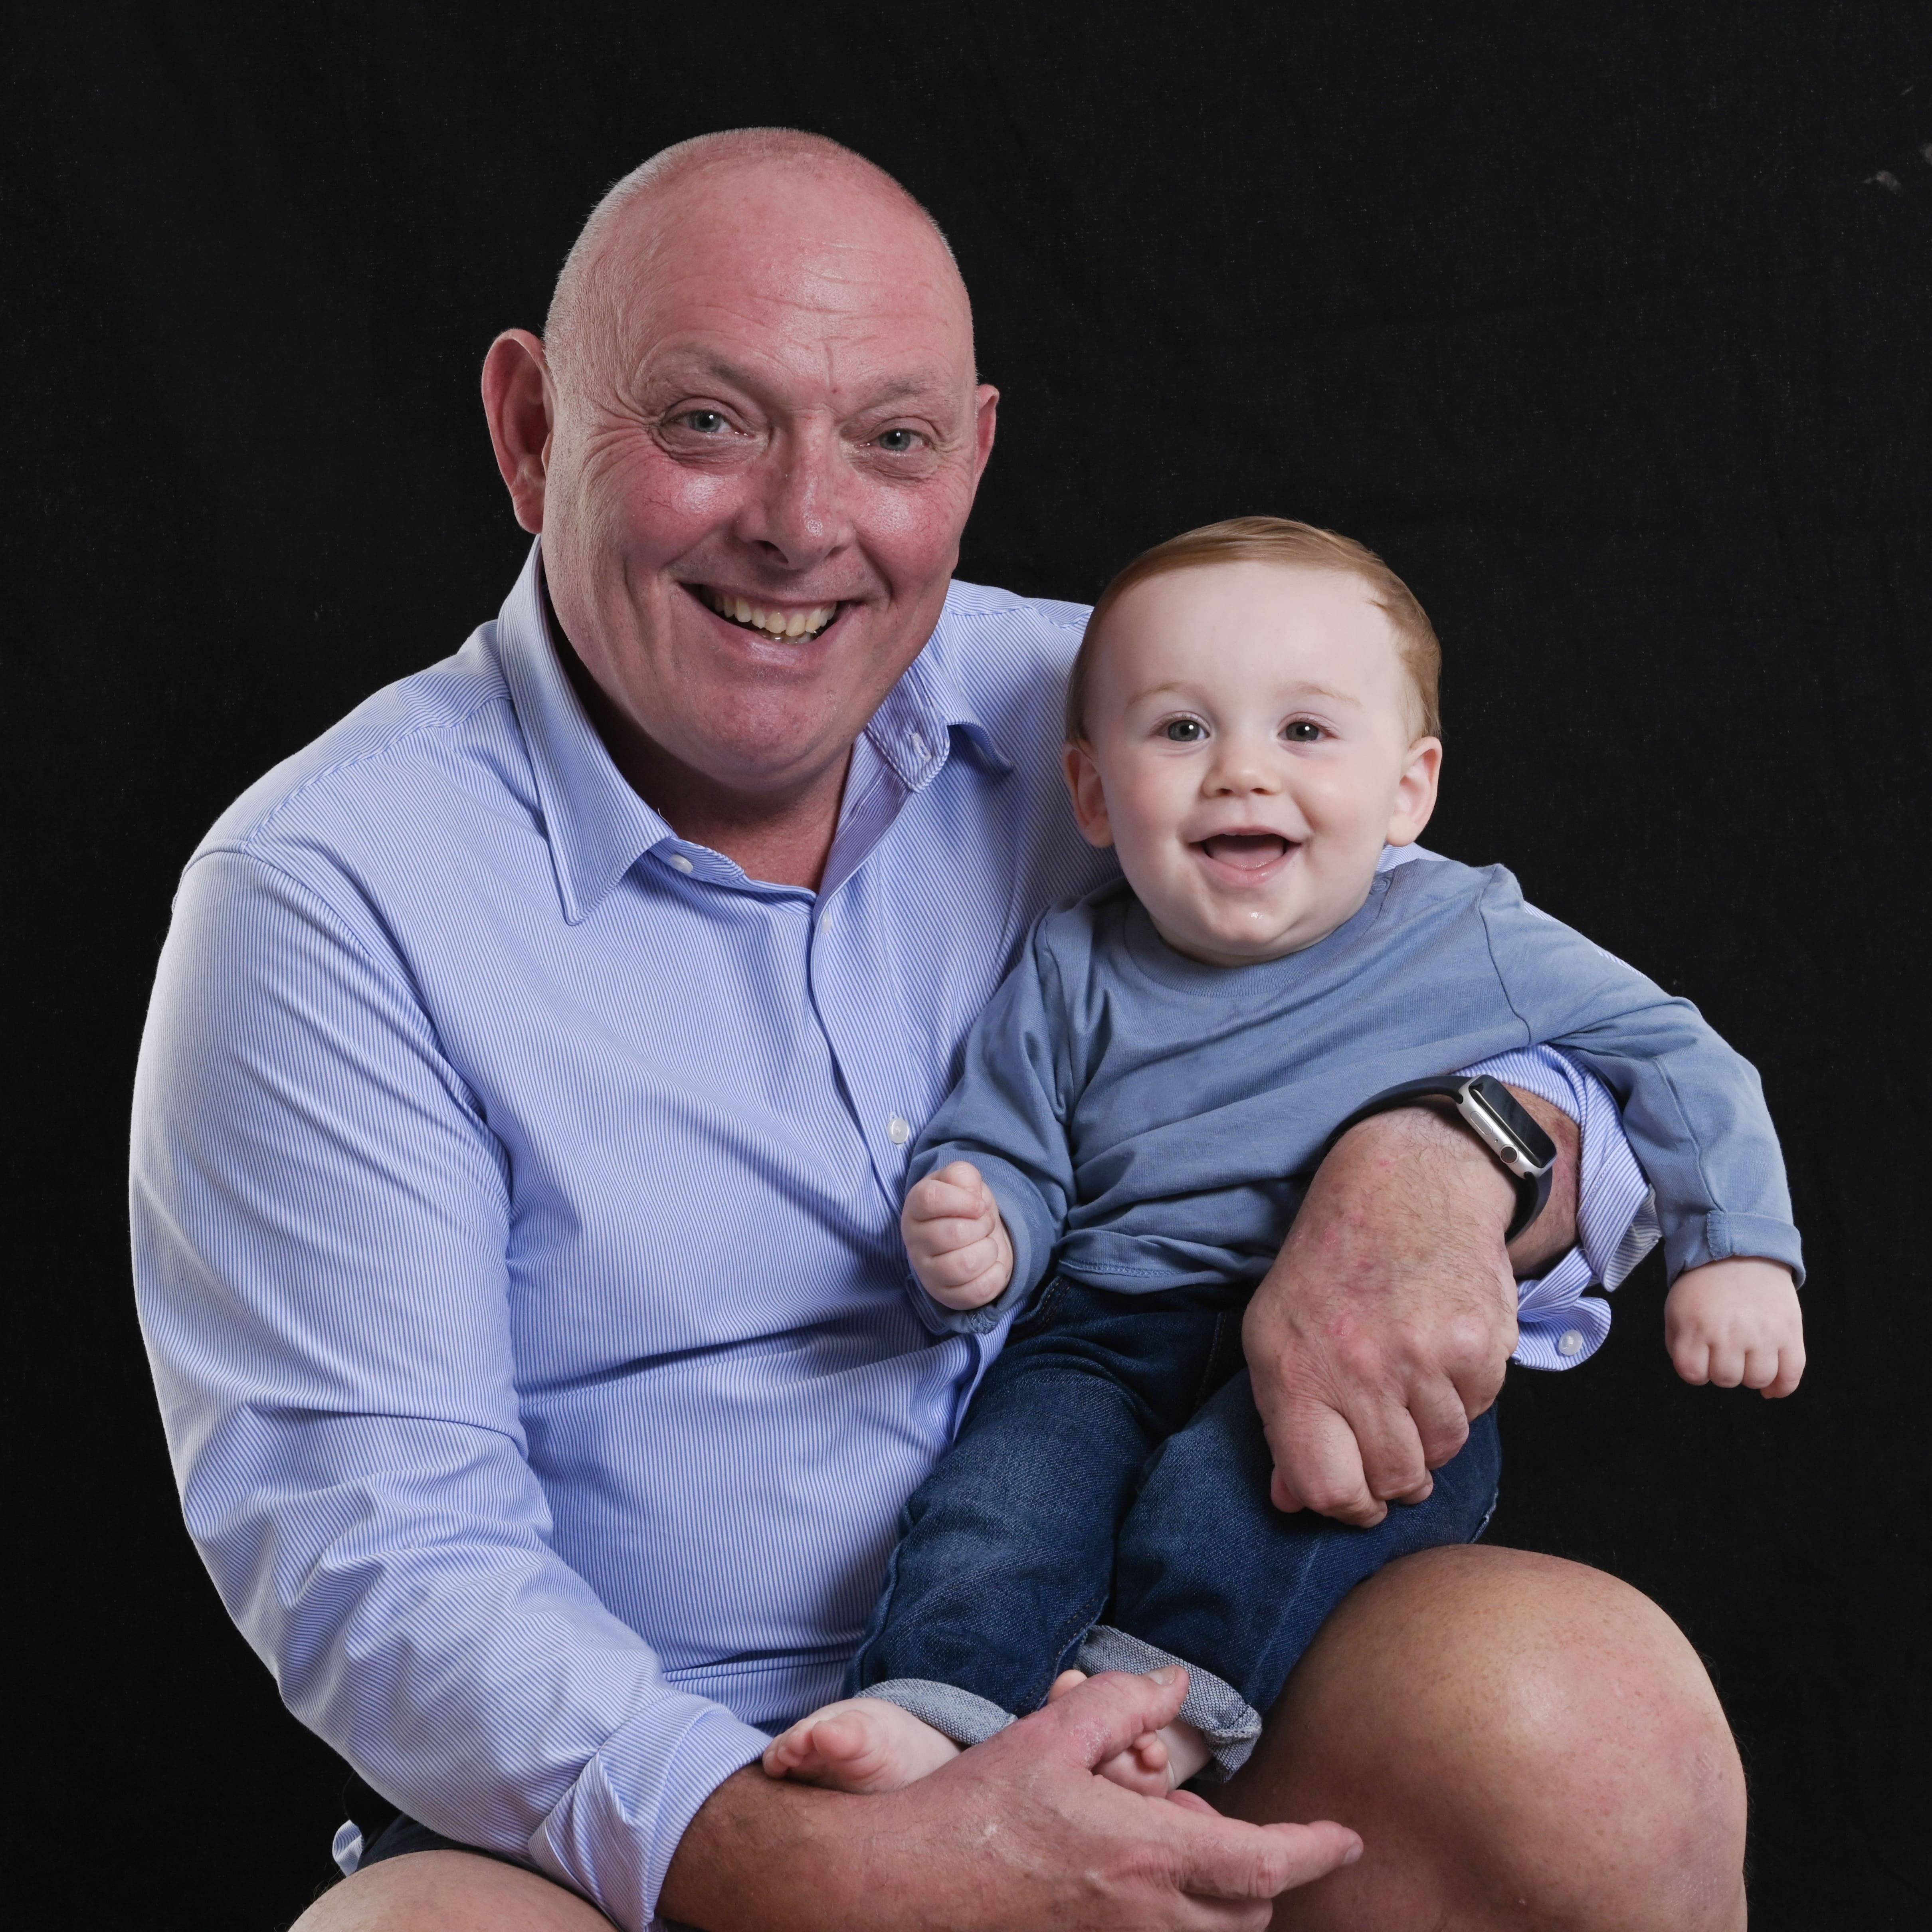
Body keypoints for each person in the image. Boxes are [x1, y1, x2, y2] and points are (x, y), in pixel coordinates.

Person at [129, 129, 1753, 1931]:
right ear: (527, 433)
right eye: (706, 422)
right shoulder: (328, 894)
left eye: (888, 439)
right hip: (674, 1819)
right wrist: (816, 1859)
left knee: (1588, 1726)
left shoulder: (1142, 717)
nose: (804, 523)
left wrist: (1452, 1158)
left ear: (970, 456)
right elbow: (381, 1562)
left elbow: (1536, 1014)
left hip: (1175, 1688)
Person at [762, 517, 1805, 1801]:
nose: (1241, 774)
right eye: (1182, 731)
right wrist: (981, 1235)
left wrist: (1737, 1249)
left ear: (1408, 789)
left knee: (1263, 1493)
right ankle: (937, 1703)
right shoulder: (1078, 964)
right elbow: (1007, 1146)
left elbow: (1676, 1054)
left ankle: (1172, 1695)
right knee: (1004, 1501)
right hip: (1104, 1326)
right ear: (1093, 792)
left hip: (1341, 1353)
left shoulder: (1459, 929)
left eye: (1304, 733)